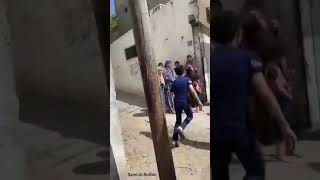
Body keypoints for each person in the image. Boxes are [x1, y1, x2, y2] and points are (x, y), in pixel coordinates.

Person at [212, 10, 297, 179]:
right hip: (241, 130)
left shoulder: (211, 60)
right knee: (256, 170)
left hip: (215, 133)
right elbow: (266, 95)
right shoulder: (247, 58)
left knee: (219, 173)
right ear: (238, 34)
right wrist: (285, 126)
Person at [242, 10, 294, 160]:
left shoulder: (244, 44)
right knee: (278, 114)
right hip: (270, 82)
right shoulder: (268, 42)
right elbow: (279, 62)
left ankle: (257, 149)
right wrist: (285, 81)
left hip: (253, 85)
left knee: (255, 117)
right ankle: (281, 151)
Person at [171, 65, 203, 147]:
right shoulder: (187, 80)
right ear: (183, 71)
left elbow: (171, 95)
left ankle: (174, 140)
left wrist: (172, 105)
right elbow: (193, 92)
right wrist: (199, 102)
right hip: (184, 102)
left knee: (178, 120)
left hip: (176, 102)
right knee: (190, 116)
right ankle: (181, 128)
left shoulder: (174, 82)